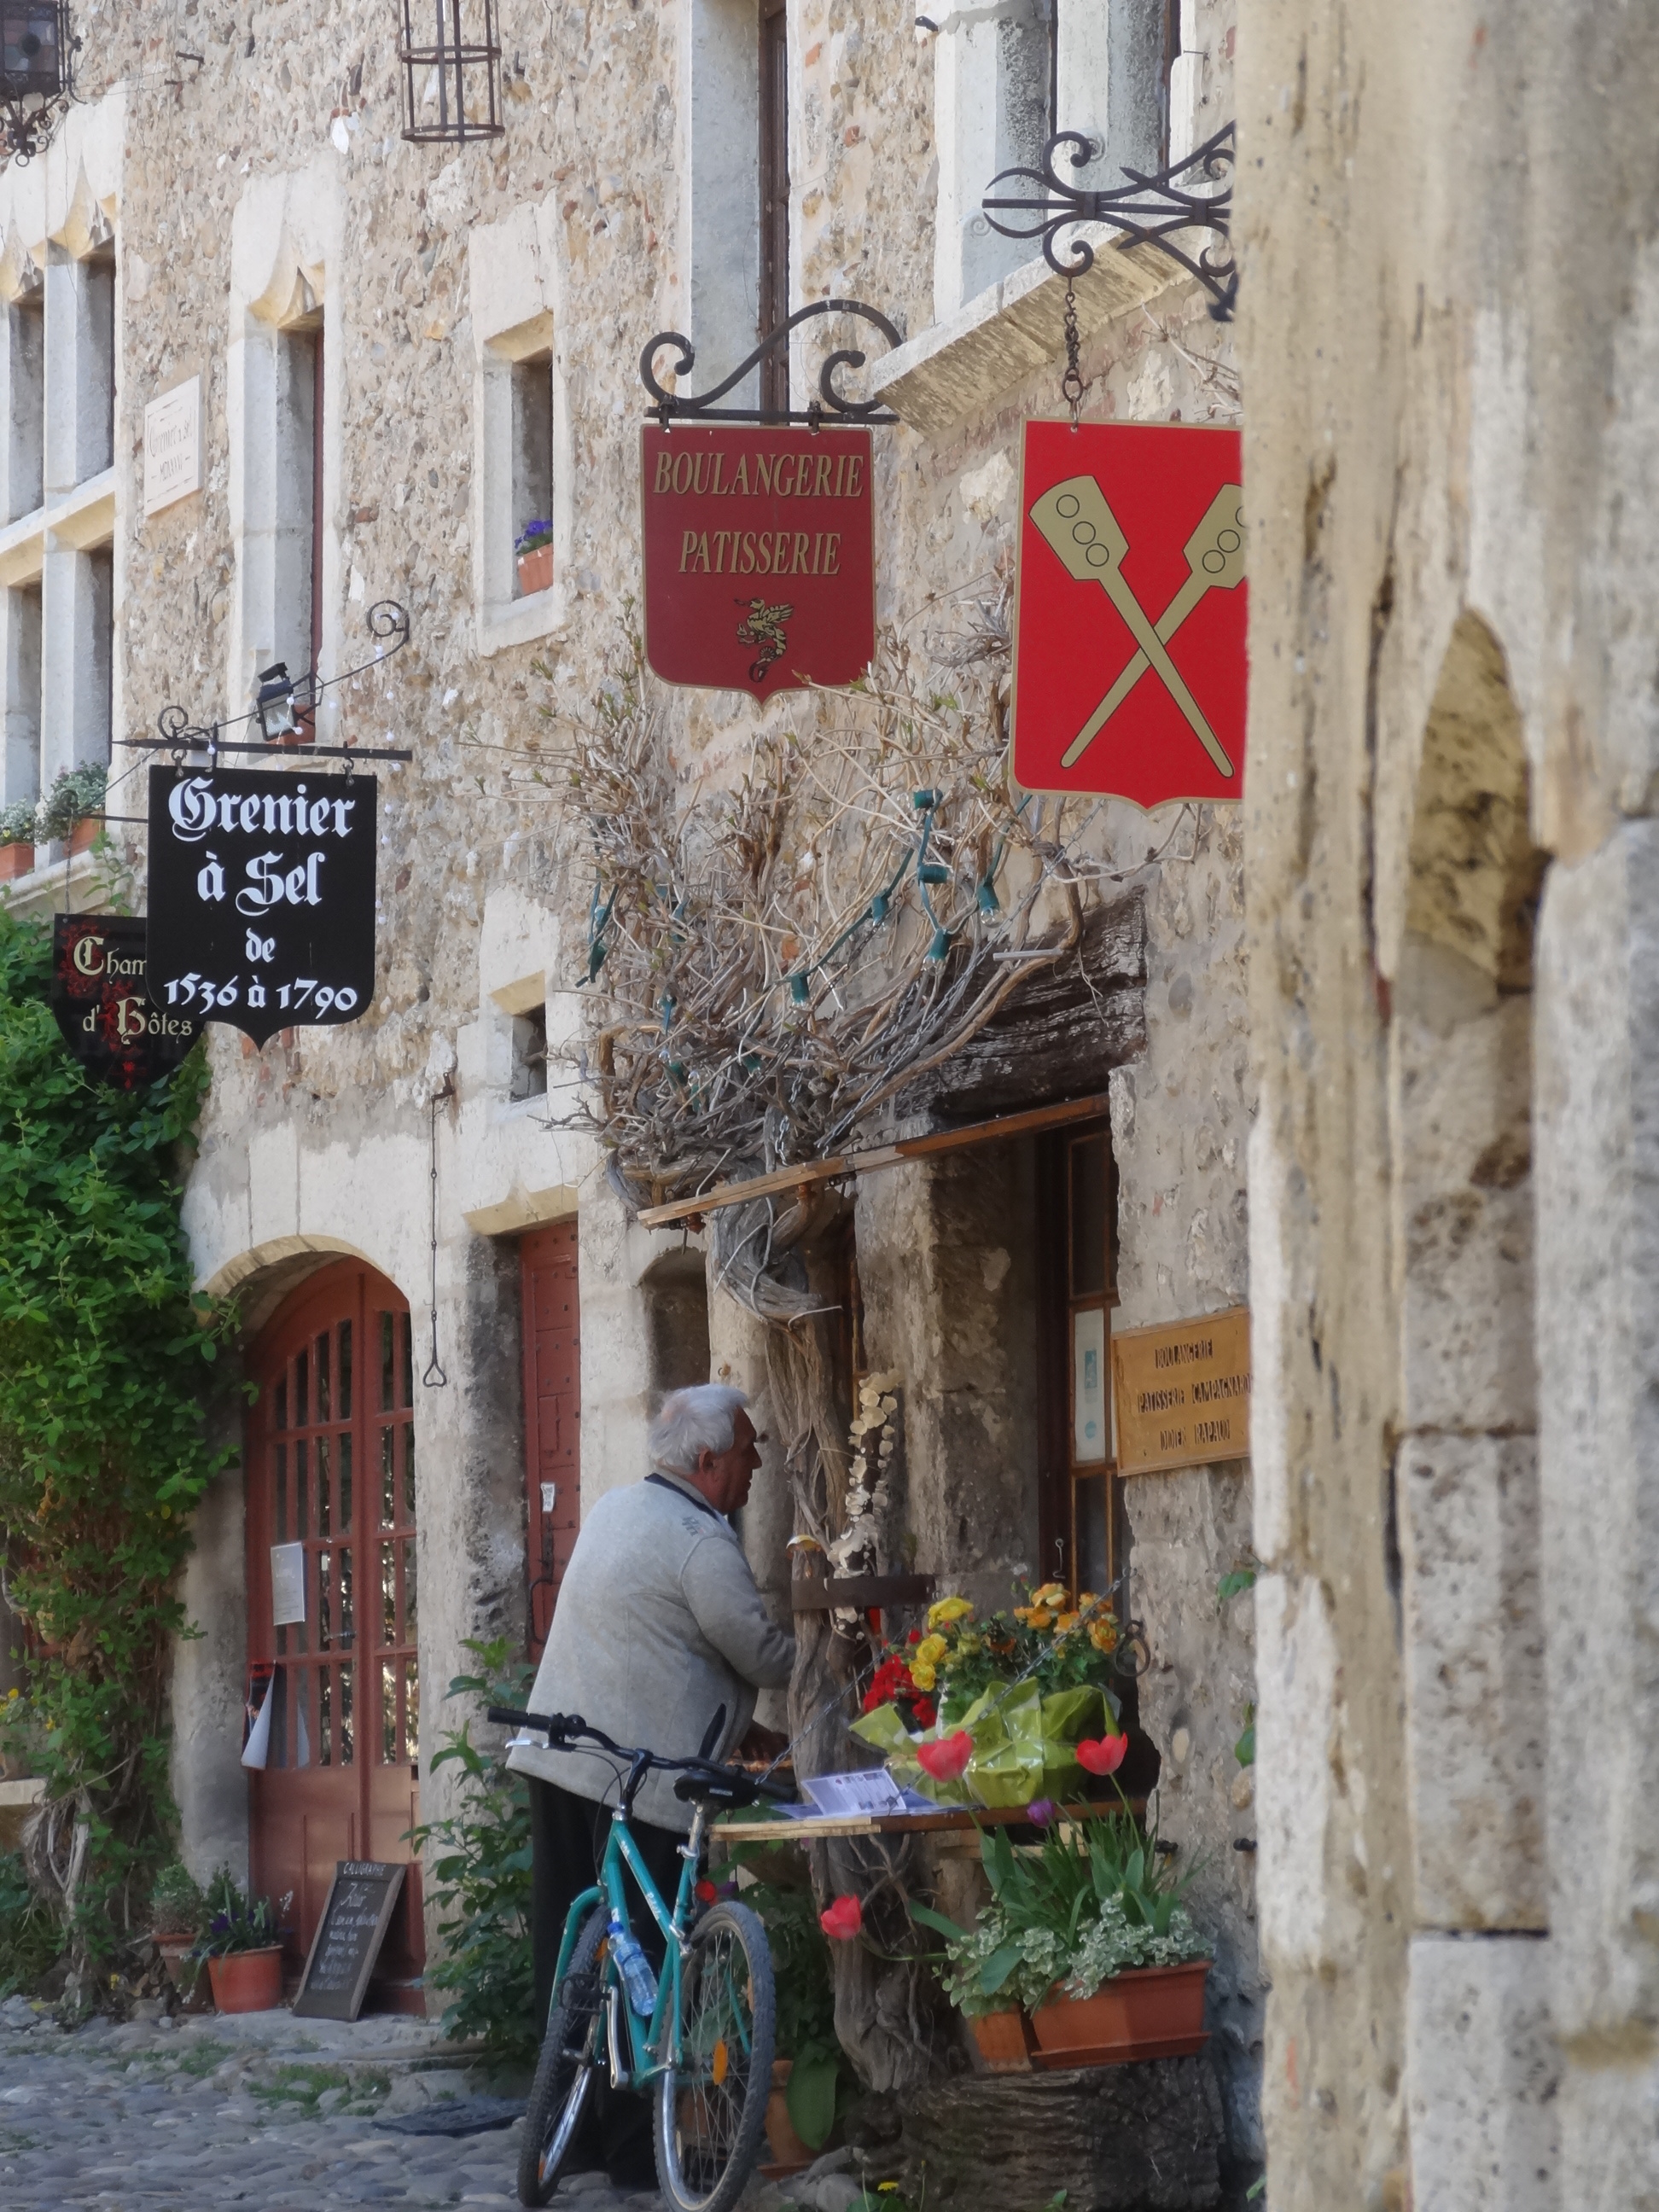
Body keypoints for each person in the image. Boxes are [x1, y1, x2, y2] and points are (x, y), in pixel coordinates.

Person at [507, 1382, 795, 2186]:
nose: (756, 1462)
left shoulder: (616, 1508)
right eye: (746, 1449)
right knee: (649, 1955)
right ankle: (640, 2155)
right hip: (641, 1776)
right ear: (707, 1463)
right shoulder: (700, 1540)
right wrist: (814, 1648)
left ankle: (566, 2138)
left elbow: (653, 1637)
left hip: (565, 1755)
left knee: (568, 1960)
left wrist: (737, 1723)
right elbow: (759, 1652)